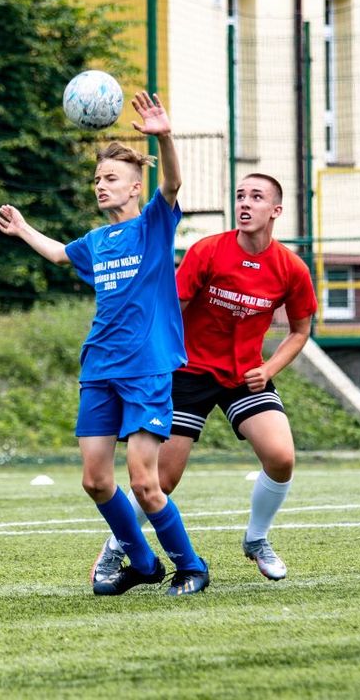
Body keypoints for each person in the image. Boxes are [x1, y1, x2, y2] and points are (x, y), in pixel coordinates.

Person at [0, 91, 209, 596]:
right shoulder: (96, 241)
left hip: (146, 368)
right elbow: (57, 255)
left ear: (136, 187)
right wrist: (24, 228)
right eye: (96, 179)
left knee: (144, 482)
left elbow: (173, 182)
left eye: (110, 179)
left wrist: (164, 136)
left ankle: (192, 566)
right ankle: (141, 563)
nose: (100, 186)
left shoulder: (152, 226)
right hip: (99, 368)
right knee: (95, 480)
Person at [98, 173, 317, 581]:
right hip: (188, 373)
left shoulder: (291, 268)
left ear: (276, 210)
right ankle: (115, 549)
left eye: (256, 197)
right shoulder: (208, 252)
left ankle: (256, 539)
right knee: (162, 478)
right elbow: (171, 308)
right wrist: (152, 359)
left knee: (282, 457)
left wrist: (269, 369)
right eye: (240, 196)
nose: (245, 204)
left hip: (243, 376)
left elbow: (300, 331)